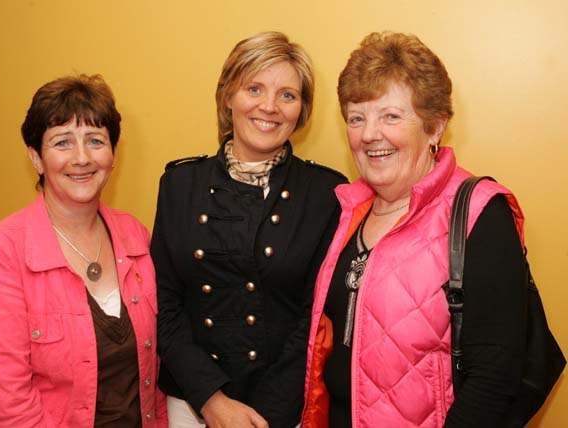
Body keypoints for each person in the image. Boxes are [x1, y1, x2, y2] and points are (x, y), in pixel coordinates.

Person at [301, 32, 527, 428]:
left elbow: (494, 378)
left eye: (390, 116)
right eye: (357, 118)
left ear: (435, 127)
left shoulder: (479, 213)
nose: (370, 133)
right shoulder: (346, 211)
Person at [151, 31, 347, 428]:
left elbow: (317, 318)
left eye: (288, 95)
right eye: (254, 88)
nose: (269, 107)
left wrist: (270, 415)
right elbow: (165, 307)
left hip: (282, 408)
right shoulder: (179, 185)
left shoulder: (327, 193)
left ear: (302, 110)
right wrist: (211, 400)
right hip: (192, 402)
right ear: (228, 96)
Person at [0, 74, 168, 427]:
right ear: (36, 158)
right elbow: (6, 403)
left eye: (95, 141)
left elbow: (156, 373)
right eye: (62, 143)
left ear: (113, 153)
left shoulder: (136, 236)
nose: (81, 158)